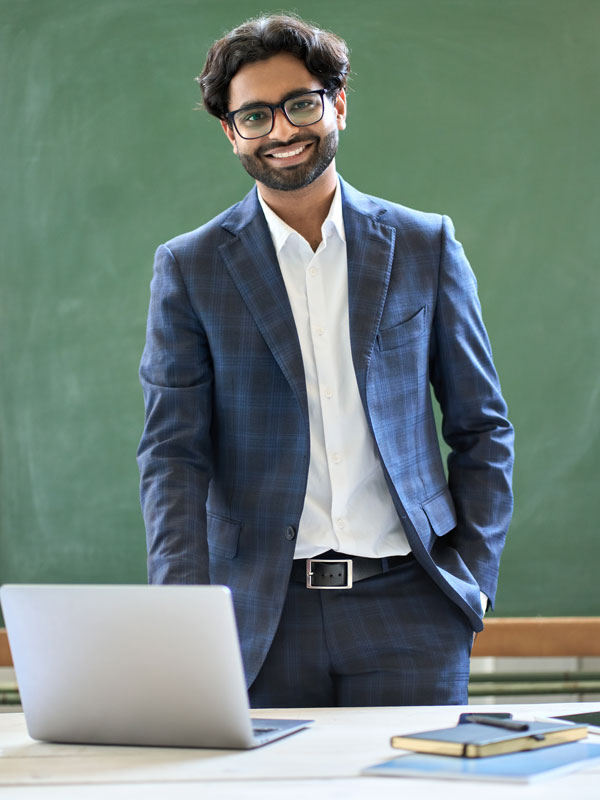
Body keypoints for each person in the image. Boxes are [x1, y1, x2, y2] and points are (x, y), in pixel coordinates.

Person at [137, 14, 514, 707]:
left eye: (300, 103)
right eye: (254, 116)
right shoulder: (191, 268)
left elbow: (482, 426)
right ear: (231, 132)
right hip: (255, 616)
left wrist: (472, 578)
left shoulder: (424, 245)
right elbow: (173, 455)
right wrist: (183, 618)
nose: (280, 131)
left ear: (337, 103)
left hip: (411, 609)